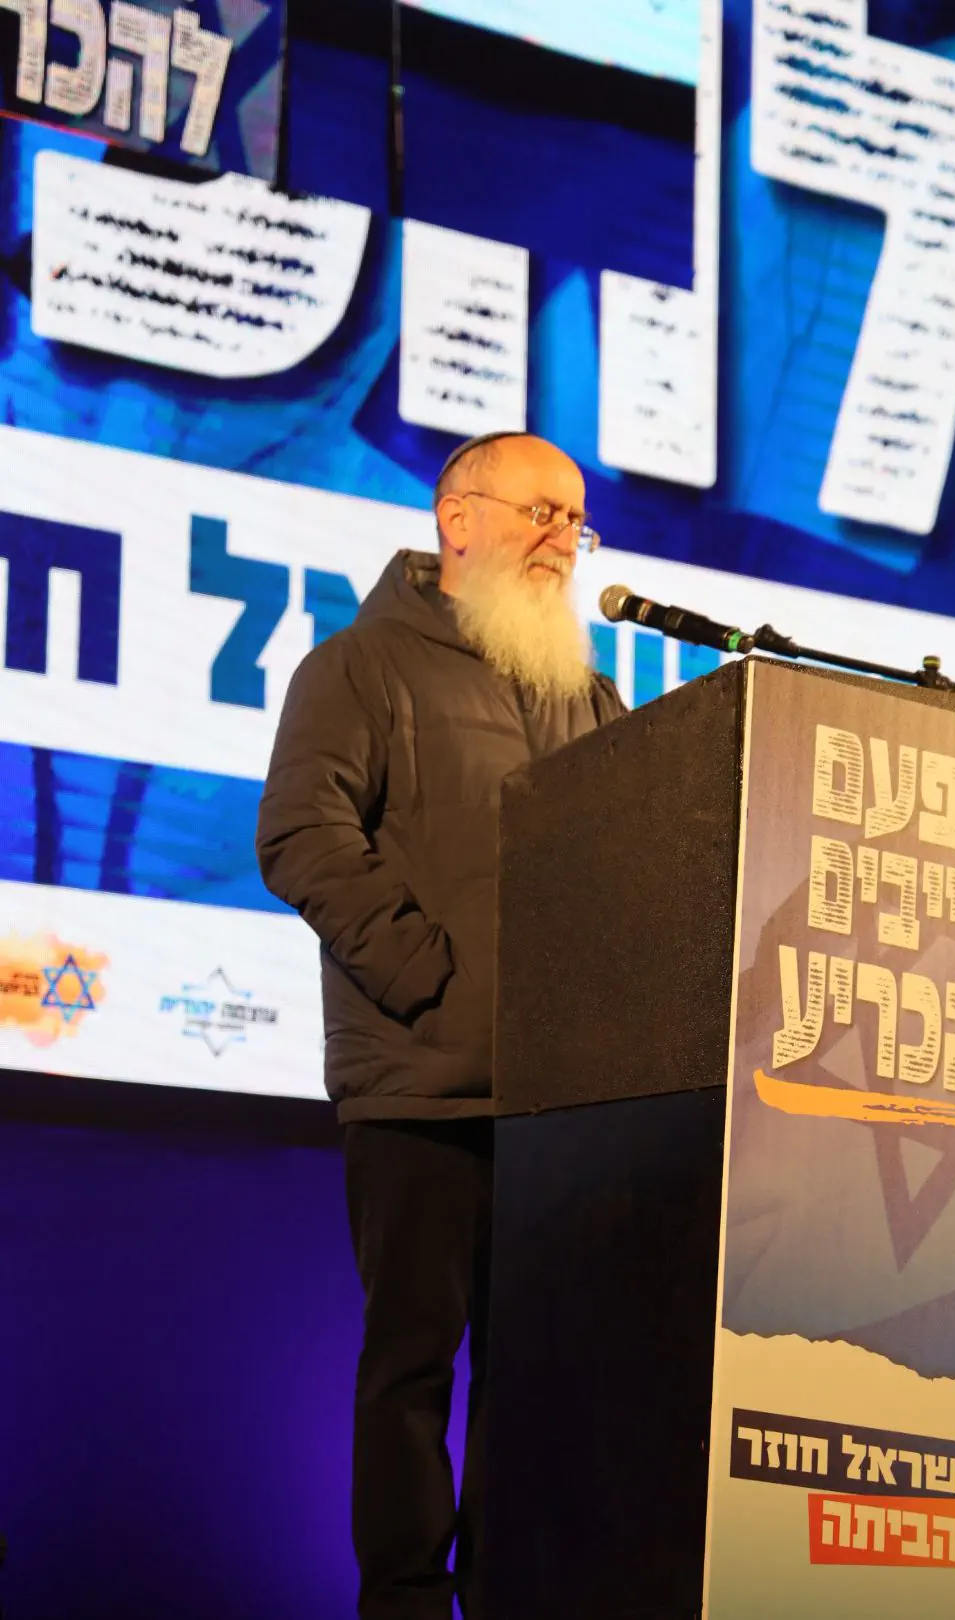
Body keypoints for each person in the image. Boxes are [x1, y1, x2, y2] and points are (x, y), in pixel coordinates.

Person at [255, 431, 625, 1620]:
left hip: (559, 1103)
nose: (562, 541)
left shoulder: (588, 695)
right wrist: (431, 979)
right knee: (412, 1367)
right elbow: (302, 837)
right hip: (419, 1079)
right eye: (540, 513)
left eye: (575, 521)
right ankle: (407, 1602)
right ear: (457, 519)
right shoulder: (358, 667)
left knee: (542, 1372)